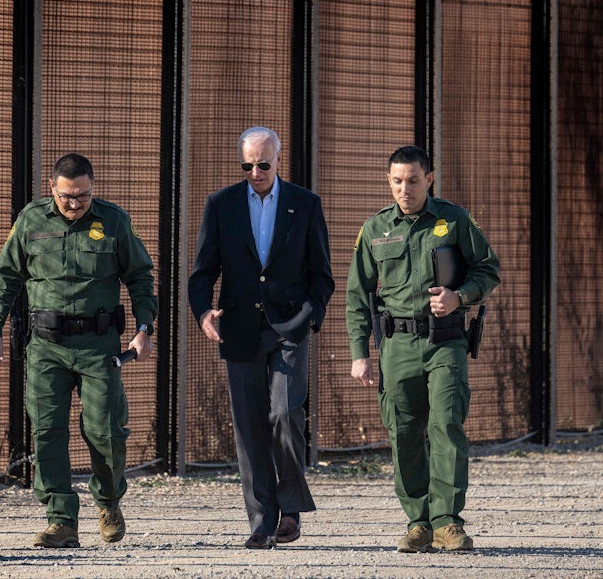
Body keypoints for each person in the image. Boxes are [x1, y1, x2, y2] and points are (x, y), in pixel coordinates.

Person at [0, 153, 157, 549]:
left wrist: (145, 328)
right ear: (53, 189)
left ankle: (109, 500)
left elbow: (140, 278)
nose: (75, 204)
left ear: (92, 188)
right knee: (47, 431)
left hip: (98, 345)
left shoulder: (113, 220)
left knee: (106, 429)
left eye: (82, 196)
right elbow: (6, 278)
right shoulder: (30, 220)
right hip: (46, 346)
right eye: (67, 197)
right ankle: (61, 519)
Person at [346, 145, 500, 553]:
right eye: (397, 181)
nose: (404, 189)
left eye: (413, 180)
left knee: (446, 423)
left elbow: (488, 269)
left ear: (428, 179)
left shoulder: (454, 219)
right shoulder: (375, 229)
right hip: (396, 345)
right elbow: (357, 296)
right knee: (405, 432)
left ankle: (448, 521)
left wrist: (460, 295)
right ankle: (418, 522)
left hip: (445, 339)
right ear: (389, 182)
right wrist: (359, 353)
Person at [189, 126, 334, 549]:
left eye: (263, 164)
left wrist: (310, 316)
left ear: (278, 159)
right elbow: (202, 274)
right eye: (247, 165)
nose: (255, 172)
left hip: (289, 326)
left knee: (286, 415)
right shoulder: (221, 204)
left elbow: (322, 274)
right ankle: (261, 520)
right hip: (239, 328)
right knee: (250, 427)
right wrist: (203, 314)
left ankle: (289, 509)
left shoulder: (305, 205)